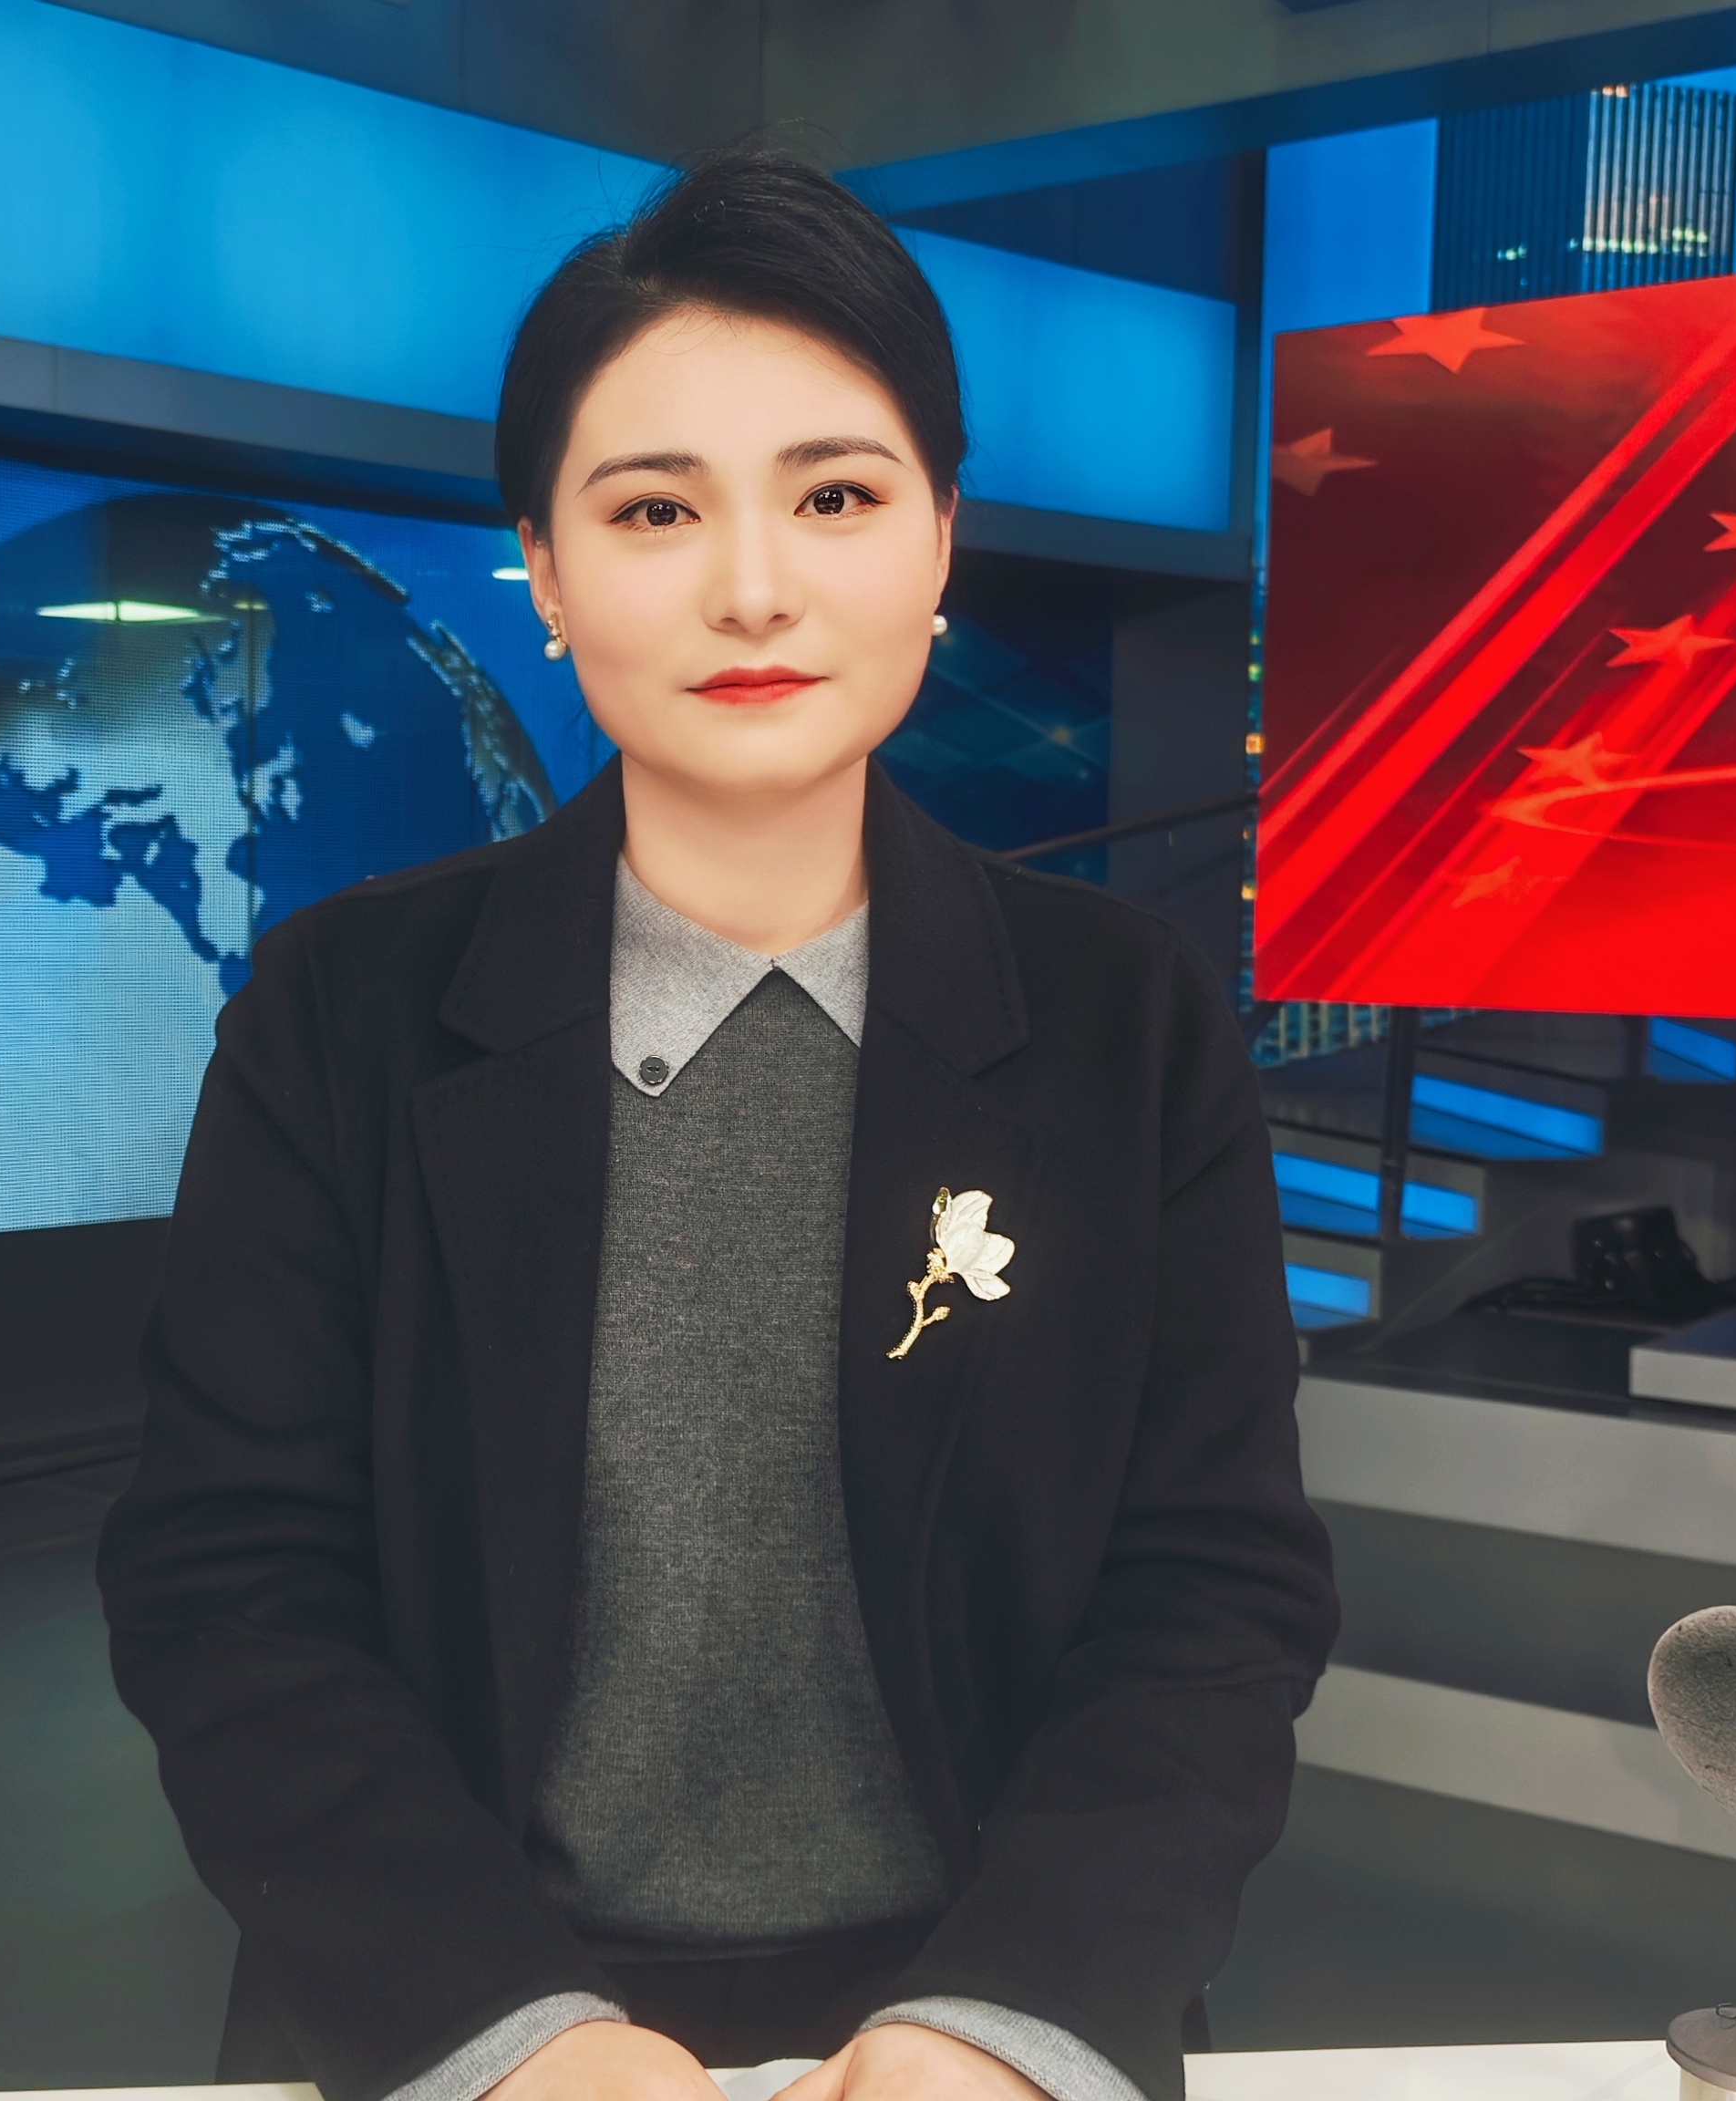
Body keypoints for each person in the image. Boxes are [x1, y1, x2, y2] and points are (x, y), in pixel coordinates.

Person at [97, 146, 1338, 2101]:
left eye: (835, 496)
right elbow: (230, 1586)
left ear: (942, 538)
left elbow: (1215, 1591)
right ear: (546, 567)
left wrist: (1010, 2025)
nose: (753, 587)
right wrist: (509, 2039)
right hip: (467, 2031)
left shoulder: (1127, 1024)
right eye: (655, 508)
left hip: (978, 2032)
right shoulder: (340, 1016)